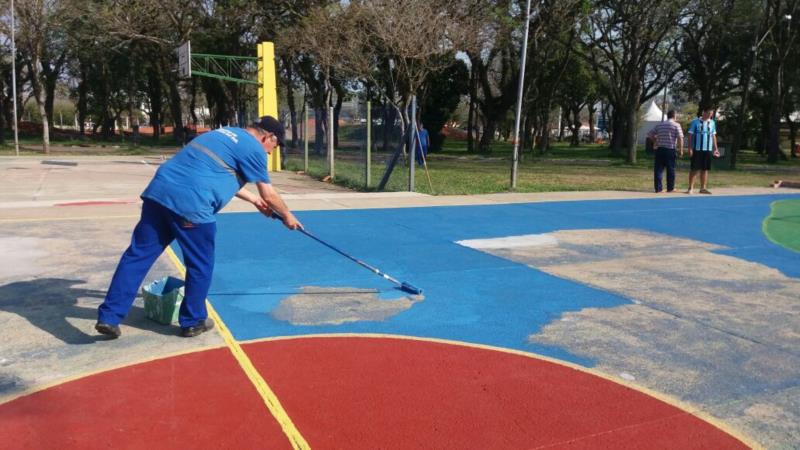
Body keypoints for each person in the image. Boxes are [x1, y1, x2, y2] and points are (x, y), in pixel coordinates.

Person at [95, 116, 302, 339]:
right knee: (200, 265)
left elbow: (213, 171)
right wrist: (288, 215)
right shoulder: (255, 149)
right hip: (192, 205)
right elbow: (269, 194)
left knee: (137, 256)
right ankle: (192, 321)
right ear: (268, 136)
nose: (272, 151)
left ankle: (109, 317)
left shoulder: (222, 133)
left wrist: (252, 199)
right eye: (275, 145)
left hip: (159, 194)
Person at [647, 110, 684, 193]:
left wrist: (655, 141)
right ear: (674, 116)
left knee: (658, 169)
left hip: (660, 149)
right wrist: (681, 149)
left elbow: (650, 134)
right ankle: (670, 188)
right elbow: (680, 138)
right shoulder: (676, 125)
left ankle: (658, 188)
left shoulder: (660, 125)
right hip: (670, 149)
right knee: (671, 169)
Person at [686, 107, 720, 194]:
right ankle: (690, 188)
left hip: (707, 149)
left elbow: (713, 136)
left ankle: (703, 188)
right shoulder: (695, 122)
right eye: (709, 113)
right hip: (697, 149)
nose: (710, 115)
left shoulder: (712, 123)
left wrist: (716, 148)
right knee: (694, 168)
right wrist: (690, 148)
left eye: (711, 114)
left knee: (705, 169)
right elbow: (690, 135)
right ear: (703, 112)